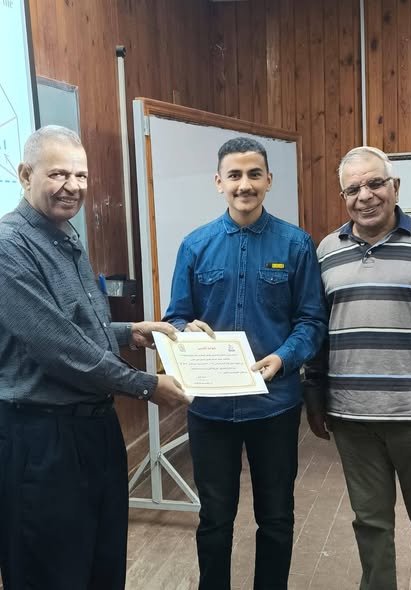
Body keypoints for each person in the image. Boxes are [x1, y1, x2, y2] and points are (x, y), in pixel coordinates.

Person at [0, 125, 189, 590]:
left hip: (94, 432)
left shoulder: (64, 235)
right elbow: (57, 347)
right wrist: (146, 385)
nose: (73, 186)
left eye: (81, 175)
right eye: (58, 174)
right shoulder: (9, 246)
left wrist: (132, 332)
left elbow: (76, 328)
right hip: (42, 438)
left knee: (101, 564)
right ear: (25, 175)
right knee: (52, 573)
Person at [162, 137, 327, 590]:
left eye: (254, 174)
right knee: (215, 518)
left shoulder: (296, 245)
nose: (244, 185)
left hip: (274, 405)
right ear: (218, 183)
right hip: (211, 409)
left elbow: (312, 321)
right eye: (234, 175)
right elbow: (175, 316)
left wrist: (284, 357)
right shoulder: (195, 245)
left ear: (269, 180)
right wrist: (185, 330)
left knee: (276, 516)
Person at [304, 146, 411, 590]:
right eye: (353, 189)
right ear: (343, 197)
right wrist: (315, 396)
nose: (365, 196)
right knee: (370, 522)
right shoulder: (327, 250)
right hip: (353, 417)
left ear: (394, 186)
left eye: (375, 183)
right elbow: (318, 332)